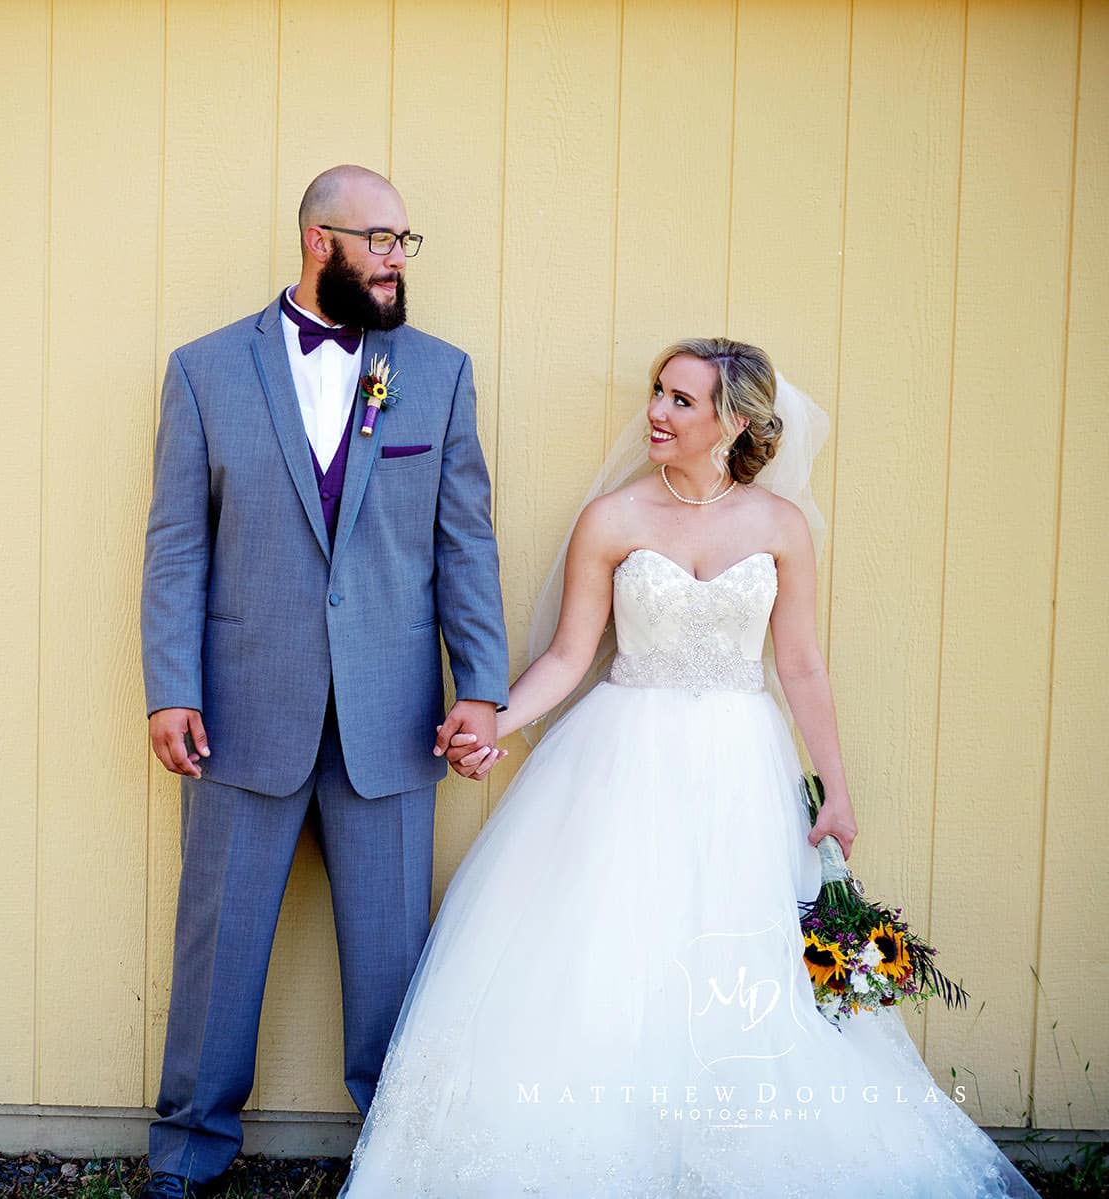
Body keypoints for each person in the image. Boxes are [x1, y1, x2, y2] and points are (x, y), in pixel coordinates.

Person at [337, 339, 1042, 1197]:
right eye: (656, 393)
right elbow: (567, 657)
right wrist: (494, 726)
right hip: (620, 760)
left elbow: (802, 666)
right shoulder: (614, 518)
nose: (657, 413)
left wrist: (837, 786)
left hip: (741, 766)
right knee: (607, 950)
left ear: (733, 420)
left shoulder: (780, 528)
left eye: (681, 400)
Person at [138, 164, 511, 1199]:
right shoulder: (206, 371)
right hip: (241, 706)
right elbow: (177, 545)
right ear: (319, 242)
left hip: (392, 718)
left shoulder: (438, 374)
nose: (398, 258)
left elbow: (465, 544)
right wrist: (171, 684)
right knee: (219, 947)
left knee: (392, 958)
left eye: (405, 241)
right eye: (381, 238)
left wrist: (479, 685)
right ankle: (187, 1149)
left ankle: (397, 1155)